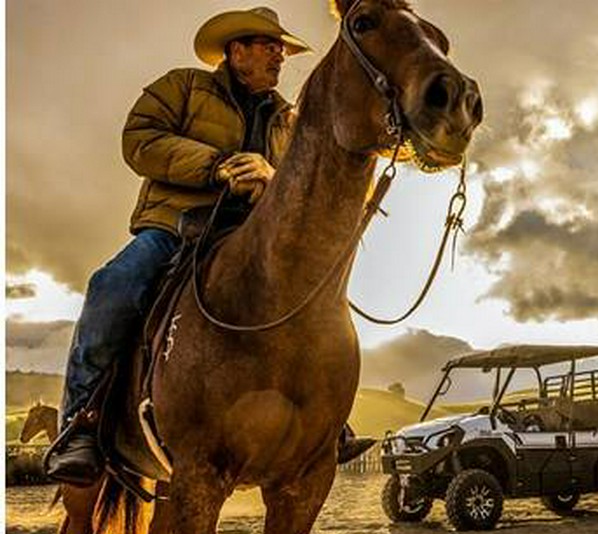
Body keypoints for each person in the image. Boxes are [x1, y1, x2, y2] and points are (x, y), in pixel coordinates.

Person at [46, 7, 375, 485]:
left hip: (258, 238)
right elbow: (139, 140)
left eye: (281, 48)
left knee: (321, 304)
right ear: (236, 50)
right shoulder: (183, 87)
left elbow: (302, 189)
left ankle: (326, 419)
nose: (279, 55)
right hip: (176, 226)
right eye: (268, 45)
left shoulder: (288, 120)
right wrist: (217, 165)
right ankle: (81, 424)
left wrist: (272, 176)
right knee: (112, 285)